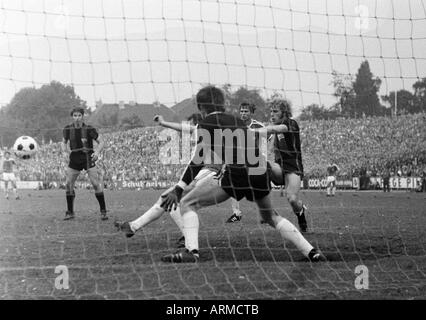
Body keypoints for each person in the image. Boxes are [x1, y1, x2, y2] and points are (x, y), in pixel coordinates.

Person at [158, 85, 324, 263]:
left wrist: (179, 187)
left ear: (201, 107)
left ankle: (192, 252)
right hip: (260, 169)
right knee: (271, 216)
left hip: (237, 172)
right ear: (222, 104)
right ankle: (311, 251)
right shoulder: (238, 121)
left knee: (187, 203)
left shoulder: (204, 124)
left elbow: (198, 159)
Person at [114, 113, 218, 248]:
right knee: (166, 198)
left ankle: (187, 239)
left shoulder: (210, 134)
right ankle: (133, 226)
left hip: (210, 173)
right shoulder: (204, 132)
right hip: (204, 172)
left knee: (174, 200)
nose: (191, 129)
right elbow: (184, 128)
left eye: (193, 125)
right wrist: (163, 123)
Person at [252, 99, 308, 233]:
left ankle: (301, 213)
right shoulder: (273, 127)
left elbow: (278, 129)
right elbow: (268, 139)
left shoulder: (290, 123)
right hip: (280, 167)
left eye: (275, 111)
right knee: (261, 165)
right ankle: (267, 210)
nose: (272, 114)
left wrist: (259, 130)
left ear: (284, 113)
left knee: (292, 199)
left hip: (293, 167)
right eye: (271, 111)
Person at [62, 106, 108, 220]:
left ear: (83, 116)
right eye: (75, 115)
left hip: (88, 157)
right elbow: (63, 142)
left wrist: (97, 152)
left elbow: (101, 141)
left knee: (95, 184)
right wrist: (64, 151)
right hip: (74, 158)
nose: (77, 118)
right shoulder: (67, 129)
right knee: (68, 185)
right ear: (72, 117)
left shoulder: (89, 129)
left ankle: (103, 211)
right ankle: (70, 212)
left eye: (79, 115)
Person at [226, 102, 265, 223]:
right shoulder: (235, 126)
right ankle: (236, 213)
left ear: (251, 112)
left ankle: (266, 213)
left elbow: (268, 139)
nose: (243, 113)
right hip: (239, 161)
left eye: (246, 111)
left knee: (259, 189)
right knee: (232, 184)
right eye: (241, 111)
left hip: (255, 161)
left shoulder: (258, 126)